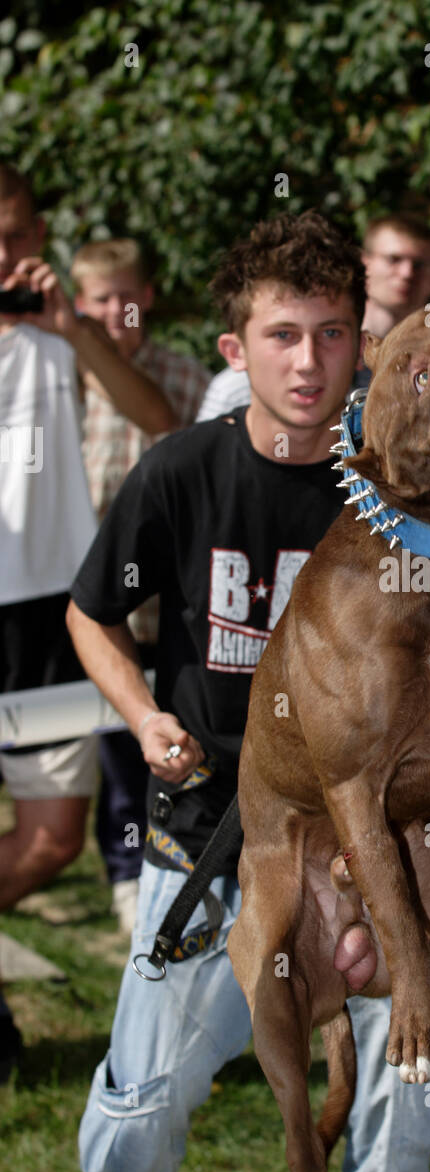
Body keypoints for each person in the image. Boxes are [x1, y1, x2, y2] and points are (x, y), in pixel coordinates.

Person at [66, 210, 430, 1172]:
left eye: (333, 332)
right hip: (204, 829)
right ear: (236, 348)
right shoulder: (181, 470)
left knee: (412, 1084)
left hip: (364, 833)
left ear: (360, 340)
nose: (309, 360)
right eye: (283, 334)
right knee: (144, 1099)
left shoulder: (396, 488)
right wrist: (146, 717)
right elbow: (91, 611)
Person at [0, 164, 175, 1080]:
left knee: (54, 838)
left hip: (46, 612)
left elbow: (158, 416)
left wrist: (71, 326)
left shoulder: (57, 333)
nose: (9, 253)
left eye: (22, 233)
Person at [73, 238, 210, 934]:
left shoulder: (183, 379)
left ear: (148, 298)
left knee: (156, 732)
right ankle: (124, 869)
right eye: (94, 300)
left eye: (123, 297)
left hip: (165, 602)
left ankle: (164, 866)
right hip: (89, 599)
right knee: (108, 744)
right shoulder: (60, 381)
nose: (110, 312)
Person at [194, 213, 430, 421]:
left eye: (419, 265)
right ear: (365, 263)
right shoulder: (241, 385)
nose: (407, 273)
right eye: (394, 259)